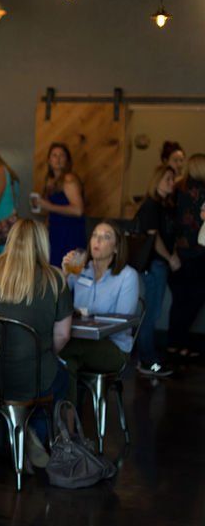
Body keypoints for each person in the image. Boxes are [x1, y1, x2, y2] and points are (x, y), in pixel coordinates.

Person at [0, 219, 72, 464]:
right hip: (33, 378)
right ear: (43, 243)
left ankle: (8, 432)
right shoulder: (54, 279)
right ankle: (37, 433)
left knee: (24, 379)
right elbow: (63, 335)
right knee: (64, 378)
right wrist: (42, 351)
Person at [58, 221, 139, 402]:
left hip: (114, 348)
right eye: (95, 235)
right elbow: (56, 298)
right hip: (80, 342)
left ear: (116, 248)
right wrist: (64, 274)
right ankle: (69, 417)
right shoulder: (81, 269)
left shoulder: (127, 276)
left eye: (105, 237)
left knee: (62, 349)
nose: (98, 240)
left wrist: (85, 315)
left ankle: (64, 415)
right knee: (67, 364)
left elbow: (121, 322)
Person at [134, 166, 179, 376]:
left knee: (153, 311)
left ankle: (147, 356)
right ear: (157, 180)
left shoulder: (165, 206)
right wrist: (170, 258)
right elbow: (154, 238)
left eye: (173, 179)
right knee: (151, 312)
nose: (172, 182)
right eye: (168, 179)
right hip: (153, 264)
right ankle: (147, 359)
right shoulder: (151, 205)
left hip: (160, 263)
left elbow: (170, 235)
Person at [169, 154, 205, 359]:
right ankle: (181, 343)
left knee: (180, 300)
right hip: (199, 252)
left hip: (177, 253)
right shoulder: (202, 191)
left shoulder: (177, 189)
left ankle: (175, 344)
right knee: (194, 299)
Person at [34, 143, 86, 266]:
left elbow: (78, 210)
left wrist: (49, 206)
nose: (58, 159)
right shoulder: (51, 181)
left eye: (62, 155)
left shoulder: (69, 179)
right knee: (56, 269)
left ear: (67, 160)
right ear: (49, 160)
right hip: (56, 233)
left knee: (71, 270)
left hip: (71, 233)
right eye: (54, 155)